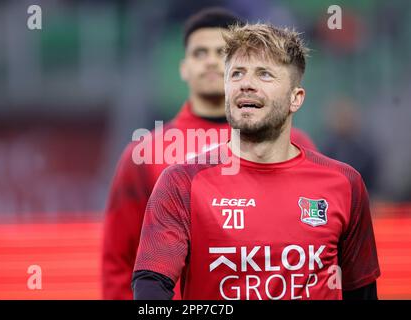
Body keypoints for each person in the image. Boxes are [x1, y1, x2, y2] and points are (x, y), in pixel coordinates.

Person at [132, 23, 380, 300]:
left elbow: (362, 291)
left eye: (264, 74)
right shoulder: (181, 183)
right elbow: (150, 289)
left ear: (295, 98)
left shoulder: (345, 184)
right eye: (236, 73)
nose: (246, 84)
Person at [102, 8, 316, 300]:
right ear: (183, 68)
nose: (212, 61)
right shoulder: (145, 153)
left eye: (221, 53)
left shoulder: (296, 144)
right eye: (200, 53)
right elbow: (120, 259)